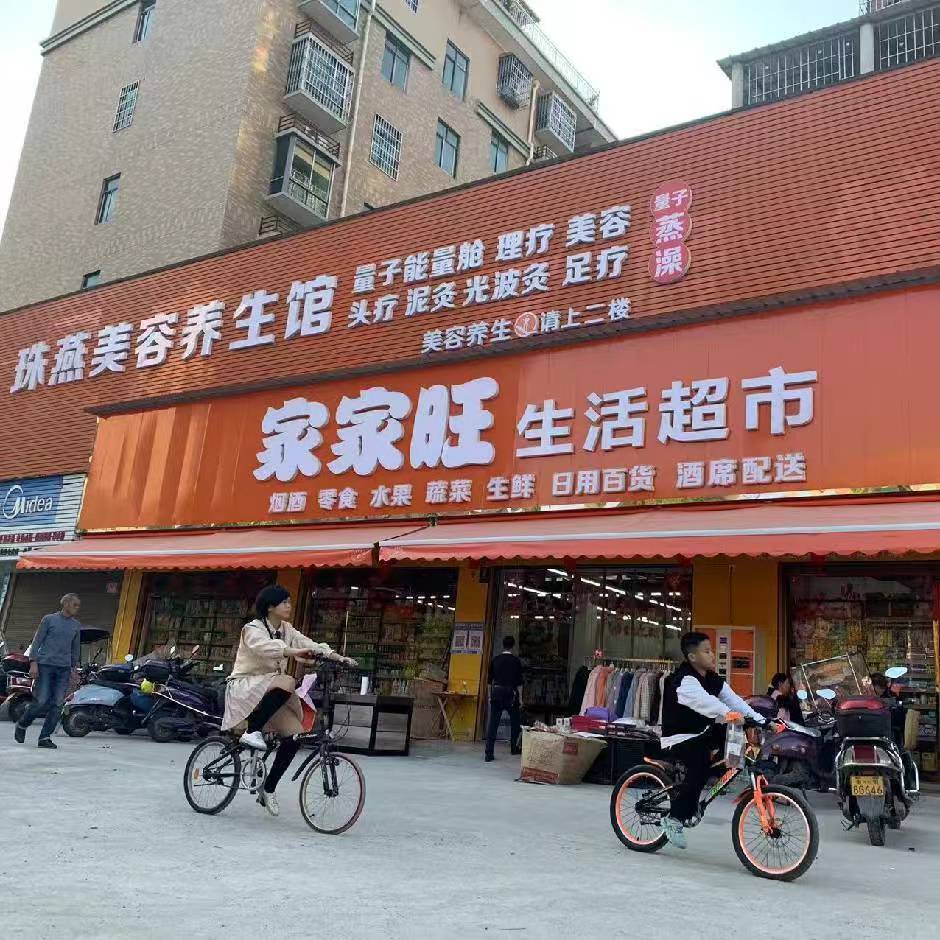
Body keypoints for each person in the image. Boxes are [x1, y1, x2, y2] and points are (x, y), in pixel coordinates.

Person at [221, 585, 354, 817]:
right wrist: (293, 652)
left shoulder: (287, 629)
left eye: (290, 602)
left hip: (271, 691)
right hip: (245, 687)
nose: (289, 606)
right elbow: (266, 648)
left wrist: (337, 657)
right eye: (284, 602)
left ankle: (268, 788)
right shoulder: (252, 629)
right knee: (288, 681)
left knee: (294, 737)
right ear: (270, 607)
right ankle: (251, 730)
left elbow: (308, 643)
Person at [659, 632, 766, 849]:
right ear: (692, 657)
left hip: (703, 732)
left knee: (727, 749)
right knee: (700, 766)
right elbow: (706, 703)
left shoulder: (712, 679)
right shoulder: (684, 680)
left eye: (712, 650)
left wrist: (763, 721)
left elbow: (734, 700)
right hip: (679, 737)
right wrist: (729, 714)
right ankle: (674, 818)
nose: (712, 655)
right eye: (706, 651)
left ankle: (701, 790)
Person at [14, 594, 82, 749]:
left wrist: (74, 669)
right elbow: (37, 641)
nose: (77, 608)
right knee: (41, 701)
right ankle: (22, 724)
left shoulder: (76, 625)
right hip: (45, 665)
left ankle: (45, 737)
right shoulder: (49, 620)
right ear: (66, 604)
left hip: (64, 669)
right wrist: (33, 663)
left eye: (78, 605)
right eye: (75, 605)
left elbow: (75, 648)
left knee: (58, 704)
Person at [484, 636, 523, 762]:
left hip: (497, 691)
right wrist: (520, 699)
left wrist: (489, 695)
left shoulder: (495, 660)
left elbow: (489, 681)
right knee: (515, 722)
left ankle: (489, 753)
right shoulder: (516, 661)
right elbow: (519, 683)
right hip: (511, 693)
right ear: (513, 646)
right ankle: (514, 748)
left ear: (503, 645)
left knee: (493, 724)